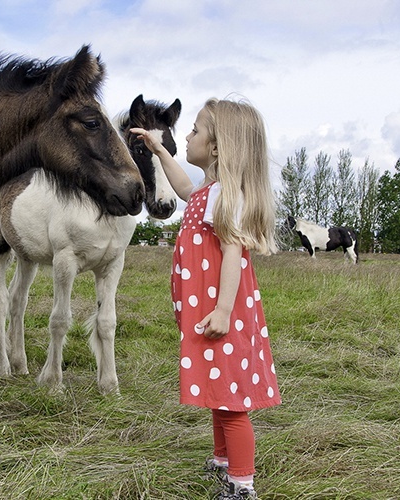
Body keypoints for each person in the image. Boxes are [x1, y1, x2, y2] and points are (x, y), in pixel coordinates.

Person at [131, 98, 280, 500]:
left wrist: (224, 310)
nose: (189, 135)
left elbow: (233, 253)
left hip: (221, 310)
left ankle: (242, 483)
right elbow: (182, 188)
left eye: (195, 130)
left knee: (232, 400)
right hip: (210, 308)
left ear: (216, 147)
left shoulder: (225, 195)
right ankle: (222, 459)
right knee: (219, 390)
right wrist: (159, 150)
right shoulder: (208, 190)